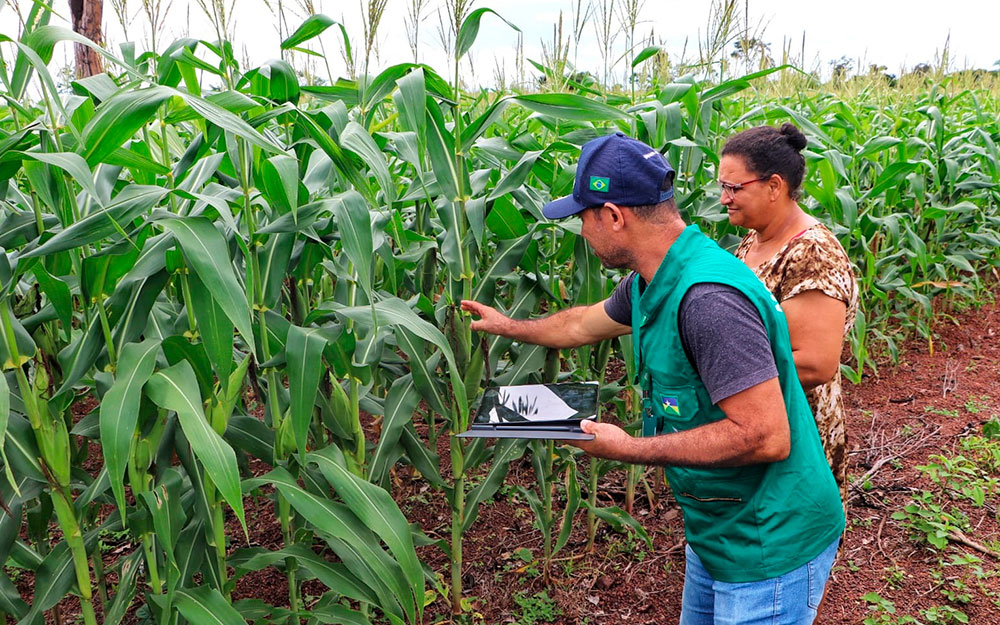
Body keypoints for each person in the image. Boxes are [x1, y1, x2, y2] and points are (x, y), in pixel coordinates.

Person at [461, 132, 844, 625]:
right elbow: (580, 324)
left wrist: (628, 449)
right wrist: (507, 325)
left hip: (770, 542)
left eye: (583, 218)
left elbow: (766, 436)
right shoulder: (653, 277)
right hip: (718, 527)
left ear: (614, 216)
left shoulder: (707, 300)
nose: (583, 231)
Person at [720, 123, 859, 502]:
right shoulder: (757, 236)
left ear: (774, 186)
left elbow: (814, 364)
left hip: (796, 435)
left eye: (734, 188)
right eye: (722, 187)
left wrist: (717, 379)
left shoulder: (811, 253)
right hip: (759, 423)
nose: (723, 198)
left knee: (790, 549)